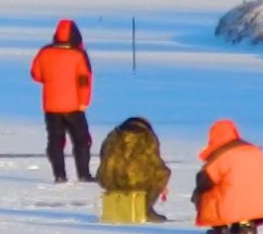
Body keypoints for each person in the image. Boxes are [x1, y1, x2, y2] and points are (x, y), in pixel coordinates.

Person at [30, 19, 94, 183]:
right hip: (74, 107)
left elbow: (36, 74)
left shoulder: (44, 52)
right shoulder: (78, 55)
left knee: (55, 141)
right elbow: (84, 81)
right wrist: (84, 101)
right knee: (81, 140)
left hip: (51, 106)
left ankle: (59, 175)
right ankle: (84, 174)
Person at [192, 119, 263, 234]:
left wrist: (196, 193)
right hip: (258, 204)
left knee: (206, 193)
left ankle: (220, 226)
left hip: (230, 205)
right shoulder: (255, 151)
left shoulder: (222, 155)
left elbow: (205, 180)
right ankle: (245, 224)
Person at [96, 117, 171, 222]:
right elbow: (155, 161)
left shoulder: (112, 135)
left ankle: (121, 207)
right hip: (134, 181)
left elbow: (103, 154)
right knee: (163, 173)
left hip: (108, 179)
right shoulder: (147, 136)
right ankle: (145, 209)